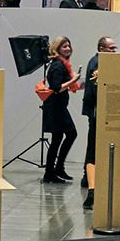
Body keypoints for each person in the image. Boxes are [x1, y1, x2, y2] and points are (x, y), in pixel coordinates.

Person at [81, 36, 116, 210]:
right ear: (102, 48)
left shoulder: (97, 62)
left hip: (97, 113)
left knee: (92, 149)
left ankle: (87, 180)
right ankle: (91, 189)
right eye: (111, 48)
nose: (114, 52)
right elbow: (96, 92)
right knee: (92, 150)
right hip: (98, 114)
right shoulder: (97, 64)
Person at [41, 37, 81, 184]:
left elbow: (65, 87)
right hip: (55, 107)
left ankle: (54, 170)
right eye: (64, 46)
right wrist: (74, 80)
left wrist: (79, 84)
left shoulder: (62, 65)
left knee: (58, 139)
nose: (68, 49)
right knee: (68, 135)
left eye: (69, 46)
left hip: (58, 106)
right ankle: (53, 170)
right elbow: (57, 88)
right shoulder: (57, 65)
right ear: (57, 49)